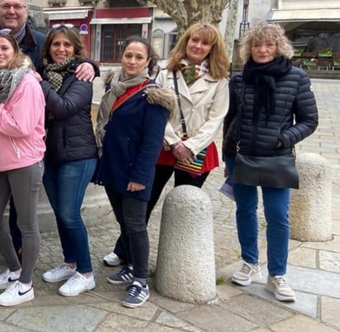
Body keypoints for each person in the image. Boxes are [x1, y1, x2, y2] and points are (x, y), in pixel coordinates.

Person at [0, 0, 96, 269]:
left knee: (29, 211)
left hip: (27, 140)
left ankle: (23, 255)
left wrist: (90, 65)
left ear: (26, 11)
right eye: (6, 6)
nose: (12, 11)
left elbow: (68, 58)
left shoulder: (41, 42)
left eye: (18, 6)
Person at [102, 24, 230, 268]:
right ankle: (125, 250)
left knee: (185, 202)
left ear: (212, 48)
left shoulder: (219, 80)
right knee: (142, 203)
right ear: (186, 41)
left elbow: (216, 118)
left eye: (205, 43)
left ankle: (177, 258)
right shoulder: (165, 72)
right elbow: (157, 112)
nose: (198, 46)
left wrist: (190, 145)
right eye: (194, 40)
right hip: (164, 145)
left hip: (196, 148)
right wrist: (173, 142)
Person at [222, 23, 318, 302]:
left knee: (277, 216)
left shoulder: (296, 77)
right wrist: (226, 153)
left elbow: (309, 120)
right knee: (245, 210)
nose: (262, 50)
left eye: (269, 45)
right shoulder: (239, 80)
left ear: (279, 48)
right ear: (249, 49)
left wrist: (283, 139)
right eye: (256, 45)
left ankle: (277, 275)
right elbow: (230, 119)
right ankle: (250, 262)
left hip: (277, 157)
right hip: (240, 154)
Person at [93, 36, 174, 308]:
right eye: (128, 55)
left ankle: (141, 280)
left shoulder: (153, 95)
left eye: (139, 57)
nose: (132, 61)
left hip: (135, 173)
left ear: (148, 62)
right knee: (124, 223)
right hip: (113, 167)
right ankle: (129, 264)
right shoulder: (113, 88)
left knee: (136, 226)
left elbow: (152, 143)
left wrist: (140, 177)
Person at [0, 30, 46, 307]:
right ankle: (15, 269)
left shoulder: (27, 82)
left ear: (15, 51)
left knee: (27, 224)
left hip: (24, 161)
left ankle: (26, 284)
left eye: (4, 48)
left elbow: (20, 126)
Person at [33, 25, 97, 297]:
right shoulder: (45, 73)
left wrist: (41, 84)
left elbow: (63, 108)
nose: (61, 49)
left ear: (75, 49)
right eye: (55, 44)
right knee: (60, 214)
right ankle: (70, 262)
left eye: (67, 45)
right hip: (51, 153)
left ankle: (86, 272)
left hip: (78, 155)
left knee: (70, 214)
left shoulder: (81, 76)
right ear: (48, 48)